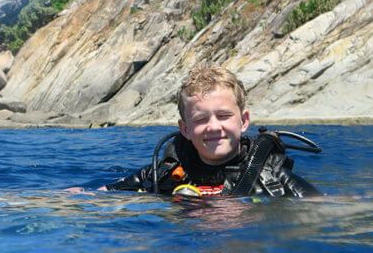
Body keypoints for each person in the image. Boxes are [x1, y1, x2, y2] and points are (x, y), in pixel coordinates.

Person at [103, 63, 321, 198]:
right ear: (185, 129)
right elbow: (96, 197)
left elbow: (326, 206)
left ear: (244, 121)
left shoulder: (272, 178)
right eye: (201, 119)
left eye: (224, 116)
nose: (214, 127)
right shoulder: (160, 175)